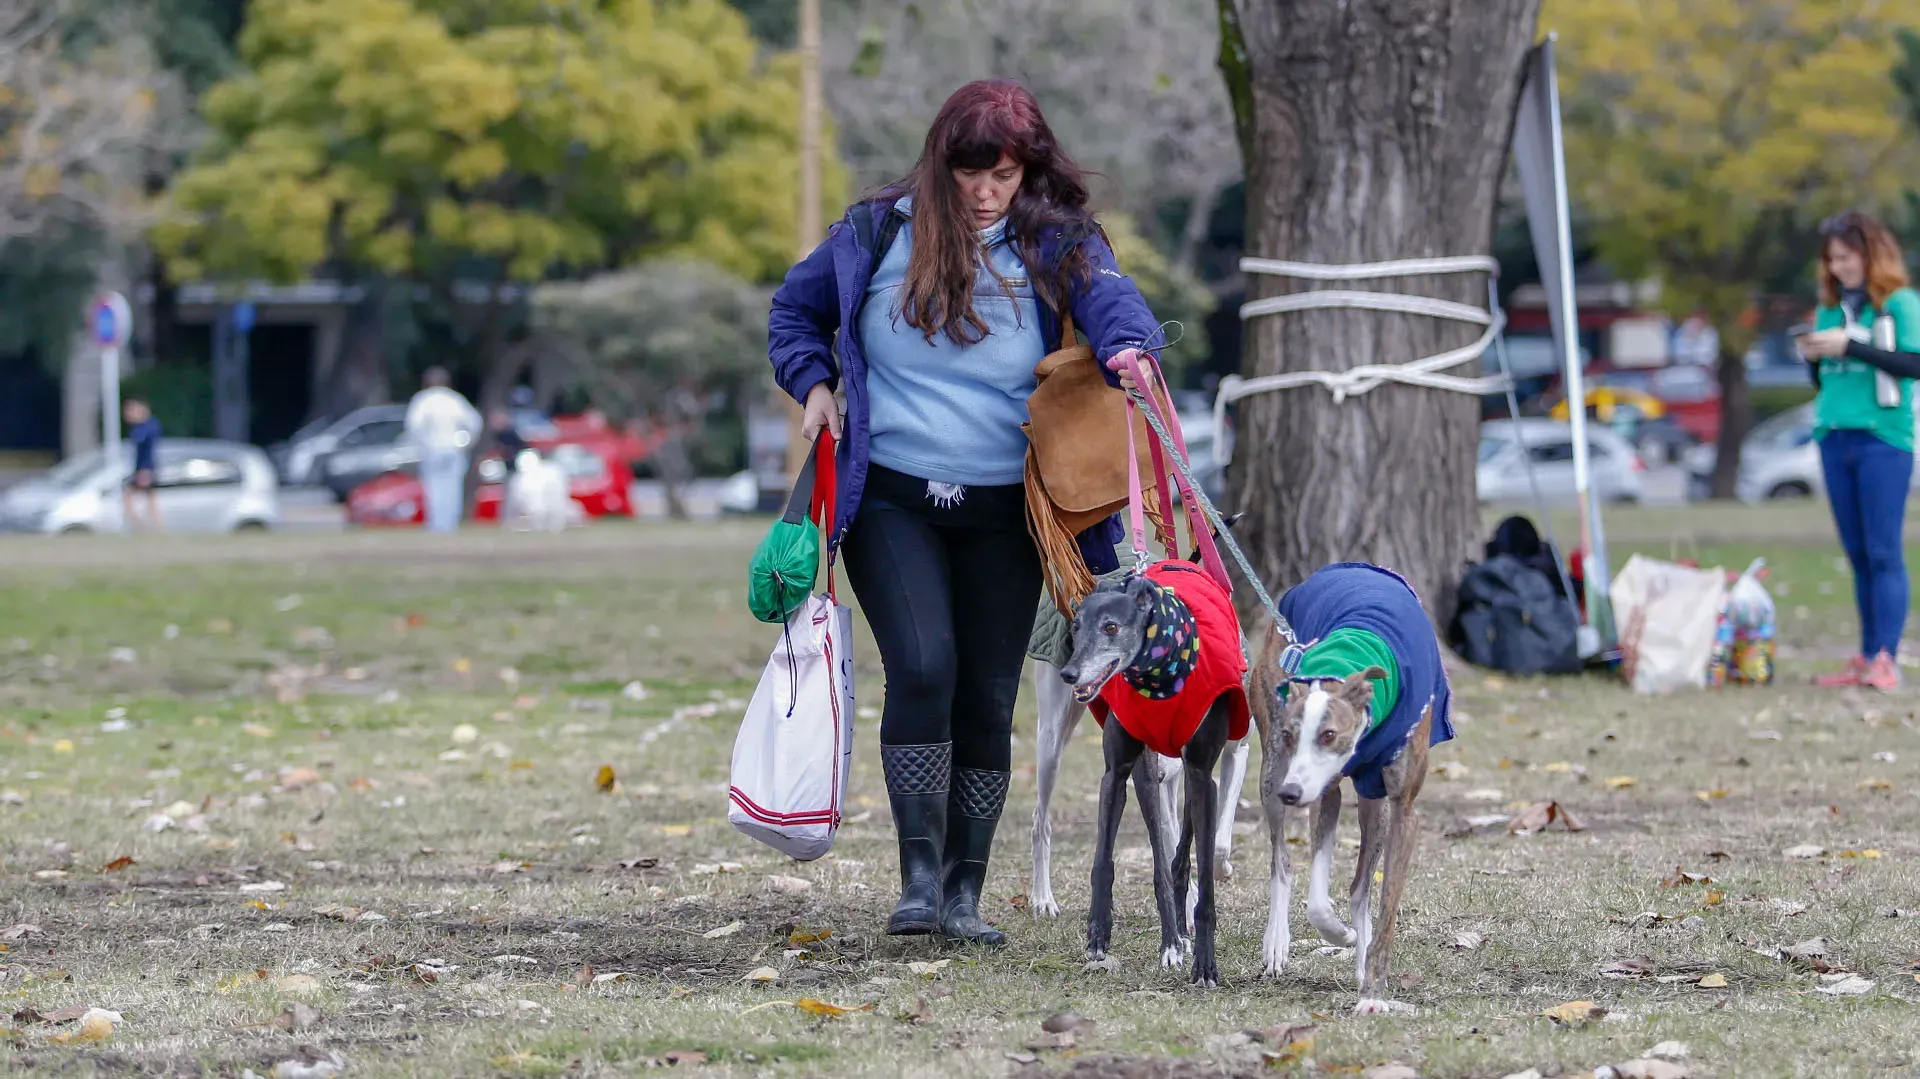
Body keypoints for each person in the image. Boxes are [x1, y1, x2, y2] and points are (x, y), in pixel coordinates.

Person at [767, 79, 1161, 945]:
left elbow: (1111, 302)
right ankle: (916, 879)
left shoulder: (1058, 242)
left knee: (987, 692)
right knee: (921, 666)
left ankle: (964, 890)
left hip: (1008, 509)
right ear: (940, 162)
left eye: (1006, 174)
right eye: (971, 172)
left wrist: (1129, 347)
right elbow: (795, 313)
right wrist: (815, 383)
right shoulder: (878, 231)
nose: (987, 191)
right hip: (893, 499)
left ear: (1028, 172)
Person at [1795, 210, 1920, 690]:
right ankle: (1867, 655)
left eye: (1846, 257)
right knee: (1857, 554)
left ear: (1871, 254)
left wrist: (1850, 346)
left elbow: (1912, 362)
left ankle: (1887, 657)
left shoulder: (1900, 303)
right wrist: (1814, 355)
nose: (1839, 267)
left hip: (1883, 439)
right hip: (1835, 435)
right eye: (1832, 260)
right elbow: (1825, 378)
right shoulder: (1829, 309)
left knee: (1884, 550)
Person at [405, 367, 481, 534]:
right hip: (453, 449)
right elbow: (474, 423)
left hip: (433, 450)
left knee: (434, 487)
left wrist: (422, 445)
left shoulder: (423, 400)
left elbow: (414, 426)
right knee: (452, 487)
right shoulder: (455, 399)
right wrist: (465, 442)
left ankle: (437, 525)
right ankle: (450, 524)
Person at [122, 398, 162, 531]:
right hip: (145, 468)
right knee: (150, 498)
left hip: (145, 469)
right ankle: (154, 525)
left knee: (129, 494)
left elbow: (142, 442)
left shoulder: (146, 428)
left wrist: (144, 470)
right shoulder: (148, 426)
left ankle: (137, 525)